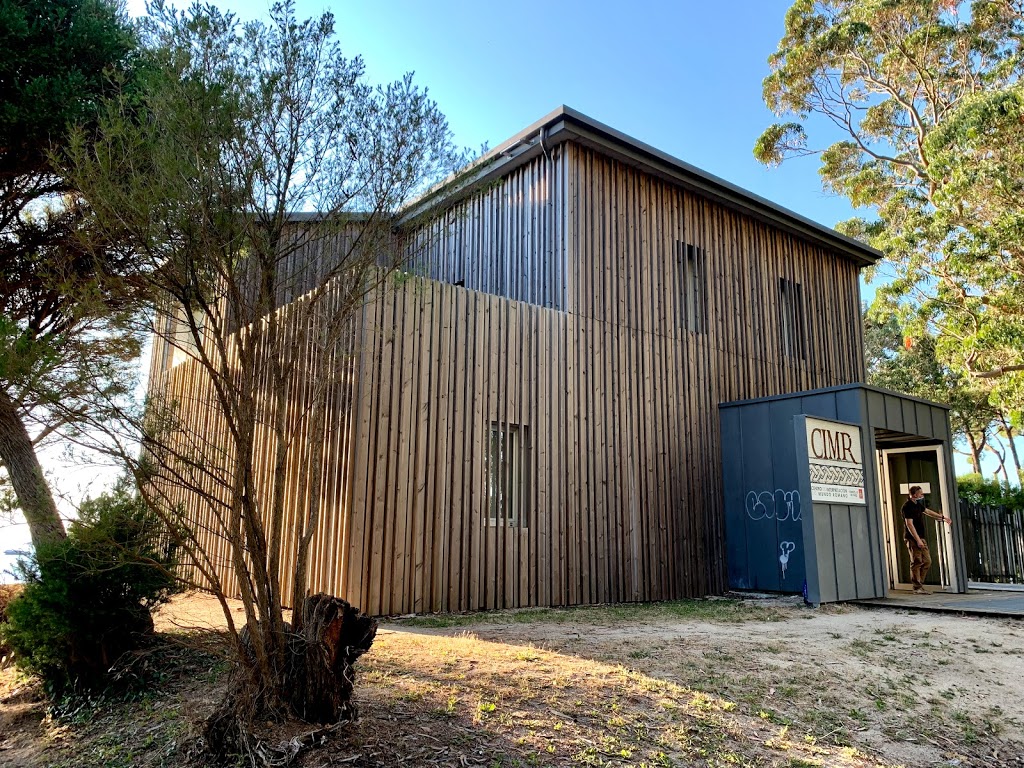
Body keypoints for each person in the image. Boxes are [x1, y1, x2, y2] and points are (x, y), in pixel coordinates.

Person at [902, 485, 951, 594]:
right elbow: (909, 524)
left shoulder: (918, 505)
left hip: (921, 537)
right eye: (920, 493)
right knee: (916, 561)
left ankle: (920, 584)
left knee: (927, 561)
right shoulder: (907, 506)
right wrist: (918, 540)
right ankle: (917, 587)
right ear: (914, 494)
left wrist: (942, 517)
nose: (922, 495)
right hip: (912, 538)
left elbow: (928, 512)